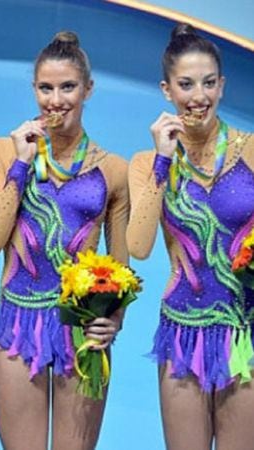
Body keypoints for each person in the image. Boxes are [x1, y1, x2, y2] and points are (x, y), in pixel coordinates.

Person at [0, 31, 129, 450]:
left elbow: (121, 266)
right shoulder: (3, 152)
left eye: (68, 87)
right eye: (46, 88)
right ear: (34, 89)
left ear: (88, 90)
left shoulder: (113, 169)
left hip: (80, 329)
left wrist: (114, 320)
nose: (56, 99)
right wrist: (21, 165)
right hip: (17, 324)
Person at [127, 23, 254, 450]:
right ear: (167, 90)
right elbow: (138, 247)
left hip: (244, 333)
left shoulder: (250, 149)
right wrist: (163, 162)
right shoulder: (148, 162)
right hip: (182, 333)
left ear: (222, 86)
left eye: (208, 83)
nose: (198, 95)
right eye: (186, 84)